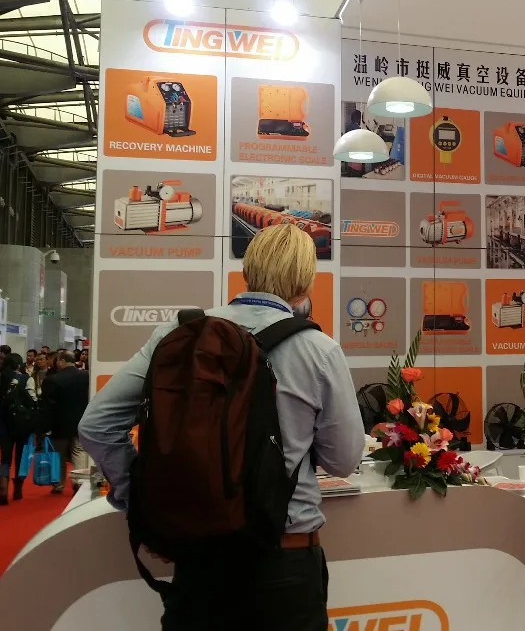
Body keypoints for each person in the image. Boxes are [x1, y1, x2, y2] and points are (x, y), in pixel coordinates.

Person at [79, 224, 365, 631]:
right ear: (306, 284)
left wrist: (142, 502)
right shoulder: (319, 350)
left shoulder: (180, 334)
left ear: (247, 271)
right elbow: (343, 460)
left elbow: (97, 424)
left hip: (199, 555)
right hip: (284, 561)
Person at [40, 350, 90, 494]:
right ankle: (78, 482)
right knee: (79, 452)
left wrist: (44, 426)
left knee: (58, 454)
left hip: (59, 423)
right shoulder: (86, 376)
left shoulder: (52, 380)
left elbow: (47, 406)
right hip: (81, 421)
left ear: (61, 361)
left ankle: (58, 484)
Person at [0, 354, 34, 505]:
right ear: (19, 364)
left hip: (3, 422)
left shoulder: (1, 377)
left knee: (5, 458)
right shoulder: (26, 379)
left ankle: (2, 489)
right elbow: (33, 401)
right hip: (22, 423)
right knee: (21, 456)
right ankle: (18, 490)